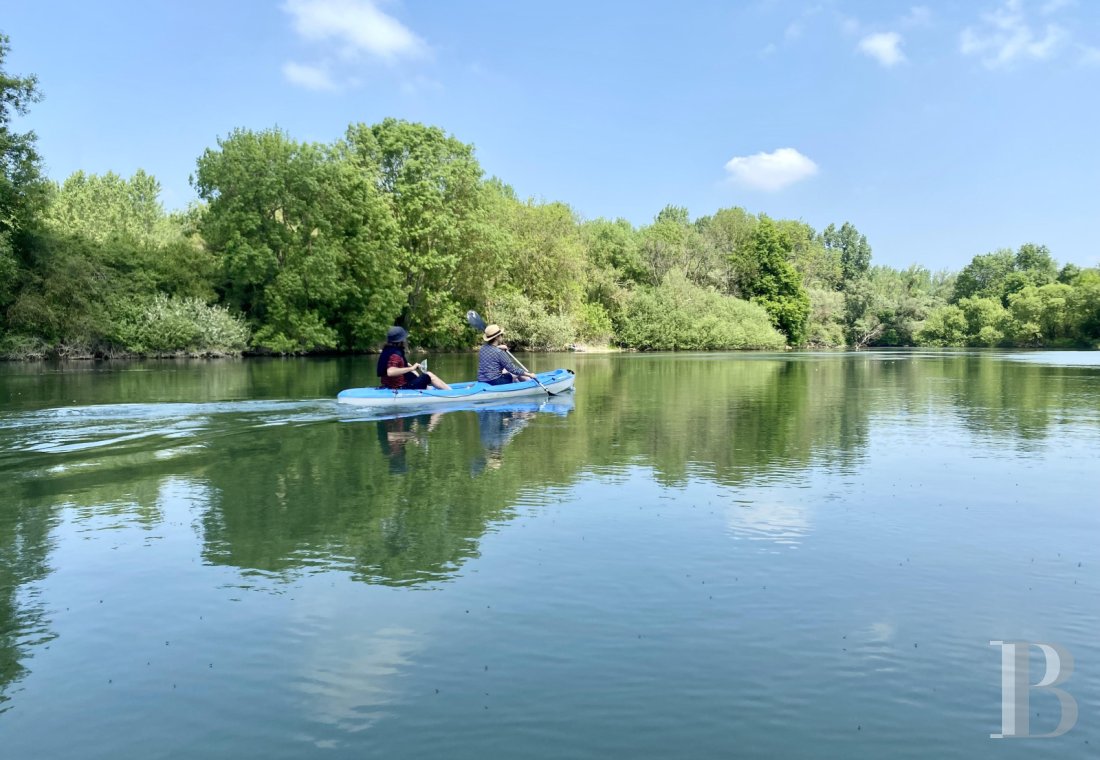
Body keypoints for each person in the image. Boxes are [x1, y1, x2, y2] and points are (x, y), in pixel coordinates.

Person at [377, 326, 451, 390]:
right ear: (400, 340)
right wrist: (411, 368)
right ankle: (451, 392)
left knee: (415, 373)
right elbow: (390, 372)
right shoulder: (395, 355)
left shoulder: (387, 350)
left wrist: (410, 366)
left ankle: (429, 388)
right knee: (429, 375)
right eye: (404, 338)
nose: (406, 340)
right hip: (401, 387)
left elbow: (395, 364)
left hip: (389, 385)